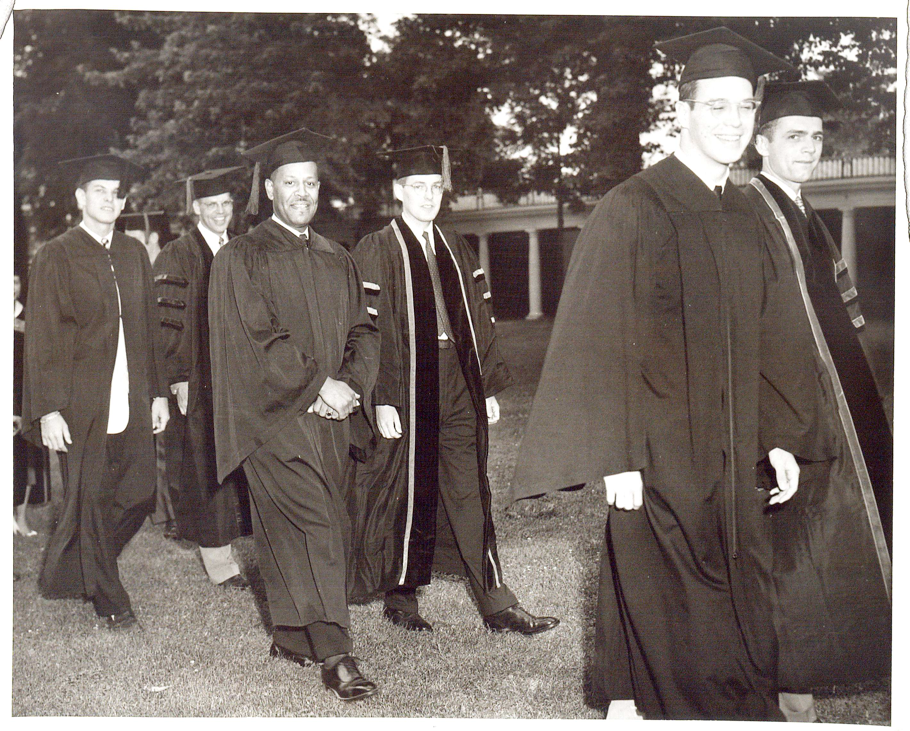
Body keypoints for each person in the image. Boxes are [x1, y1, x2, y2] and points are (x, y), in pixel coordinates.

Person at [511, 28, 834, 721]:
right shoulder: (634, 207)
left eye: (743, 107)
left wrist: (779, 433)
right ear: (679, 111)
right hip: (656, 453)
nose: (731, 121)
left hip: (734, 449)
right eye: (714, 106)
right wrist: (615, 455)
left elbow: (777, 335)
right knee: (676, 603)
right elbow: (595, 338)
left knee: (734, 594)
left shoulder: (749, 212)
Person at [348, 146, 559, 638]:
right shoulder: (375, 248)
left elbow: (480, 320)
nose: (427, 196)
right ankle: (401, 596)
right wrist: (380, 395)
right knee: (405, 489)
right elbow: (365, 330)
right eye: (417, 187)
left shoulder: (454, 246)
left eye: (435, 187)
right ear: (397, 191)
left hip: (458, 381)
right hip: (405, 385)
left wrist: (484, 384)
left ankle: (496, 602)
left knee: (469, 490)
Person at [208, 128, 380, 701]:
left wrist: (351, 384)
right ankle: (336, 651)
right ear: (269, 189)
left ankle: (291, 634)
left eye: (310, 183)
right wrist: (319, 385)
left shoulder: (337, 257)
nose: (302, 192)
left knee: (294, 524)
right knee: (317, 523)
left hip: (332, 415)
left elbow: (364, 329)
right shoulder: (242, 256)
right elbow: (257, 339)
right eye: (290, 183)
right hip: (272, 418)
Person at [742, 80, 892, 722]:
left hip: (842, 402)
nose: (808, 148)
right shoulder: (748, 212)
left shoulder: (804, 212)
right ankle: (790, 692)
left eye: (816, 138)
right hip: (790, 406)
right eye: (793, 137)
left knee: (843, 540)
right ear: (761, 142)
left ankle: (837, 663)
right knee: (796, 550)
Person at [21, 153, 170, 631]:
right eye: (100, 192)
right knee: (88, 498)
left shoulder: (132, 253)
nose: (110, 200)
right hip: (80, 402)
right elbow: (41, 338)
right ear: (80, 198)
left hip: (132, 395)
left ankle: (71, 569)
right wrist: (47, 409)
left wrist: (159, 394)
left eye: (117, 193)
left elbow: (148, 328)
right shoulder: (56, 254)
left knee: (140, 494)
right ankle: (111, 599)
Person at [153, 167, 252, 589]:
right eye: (211, 205)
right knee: (205, 466)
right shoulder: (179, 253)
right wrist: (177, 377)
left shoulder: (244, 249)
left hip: (242, 379)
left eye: (226, 204)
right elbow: (166, 322)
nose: (220, 212)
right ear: (196, 208)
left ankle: (243, 545)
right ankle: (219, 562)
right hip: (199, 379)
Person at [119, 211, 179, 537]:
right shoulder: (132, 272)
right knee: (157, 447)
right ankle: (165, 513)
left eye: (135, 237)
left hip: (172, 370)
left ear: (153, 237)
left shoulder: (166, 269)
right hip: (147, 374)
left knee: (170, 447)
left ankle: (173, 513)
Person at [14, 273, 47, 537]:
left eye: (15, 281)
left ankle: (21, 517)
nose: (11, 287)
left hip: (22, 398)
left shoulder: (29, 316)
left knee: (24, 460)